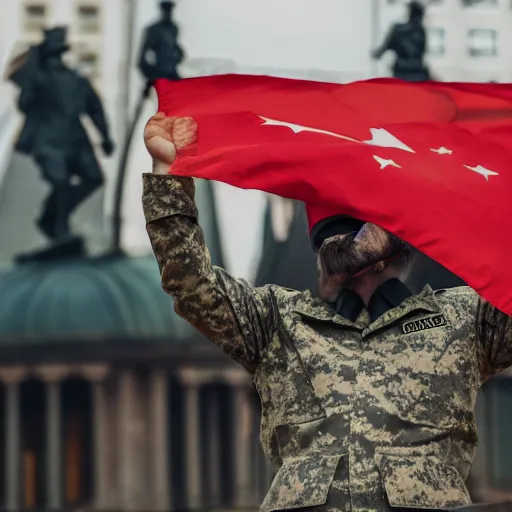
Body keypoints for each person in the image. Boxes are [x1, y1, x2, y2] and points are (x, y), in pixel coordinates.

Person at [141, 113, 512, 511]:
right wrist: (169, 179)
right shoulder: (277, 322)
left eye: (356, 226)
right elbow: (192, 283)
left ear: (396, 245)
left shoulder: (464, 319)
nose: (341, 239)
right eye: (329, 235)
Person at [9, 26, 114, 240]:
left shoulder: (77, 80)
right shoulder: (38, 80)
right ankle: (59, 227)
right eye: (51, 55)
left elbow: (95, 109)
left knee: (94, 178)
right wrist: (32, 78)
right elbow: (24, 105)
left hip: (76, 139)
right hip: (48, 141)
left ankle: (53, 217)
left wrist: (105, 136)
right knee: (61, 182)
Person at [372, 0, 430, 82]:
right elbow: (423, 52)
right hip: (419, 75)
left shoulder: (397, 30)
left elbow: (381, 51)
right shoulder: (421, 32)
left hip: (401, 75)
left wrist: (374, 54)